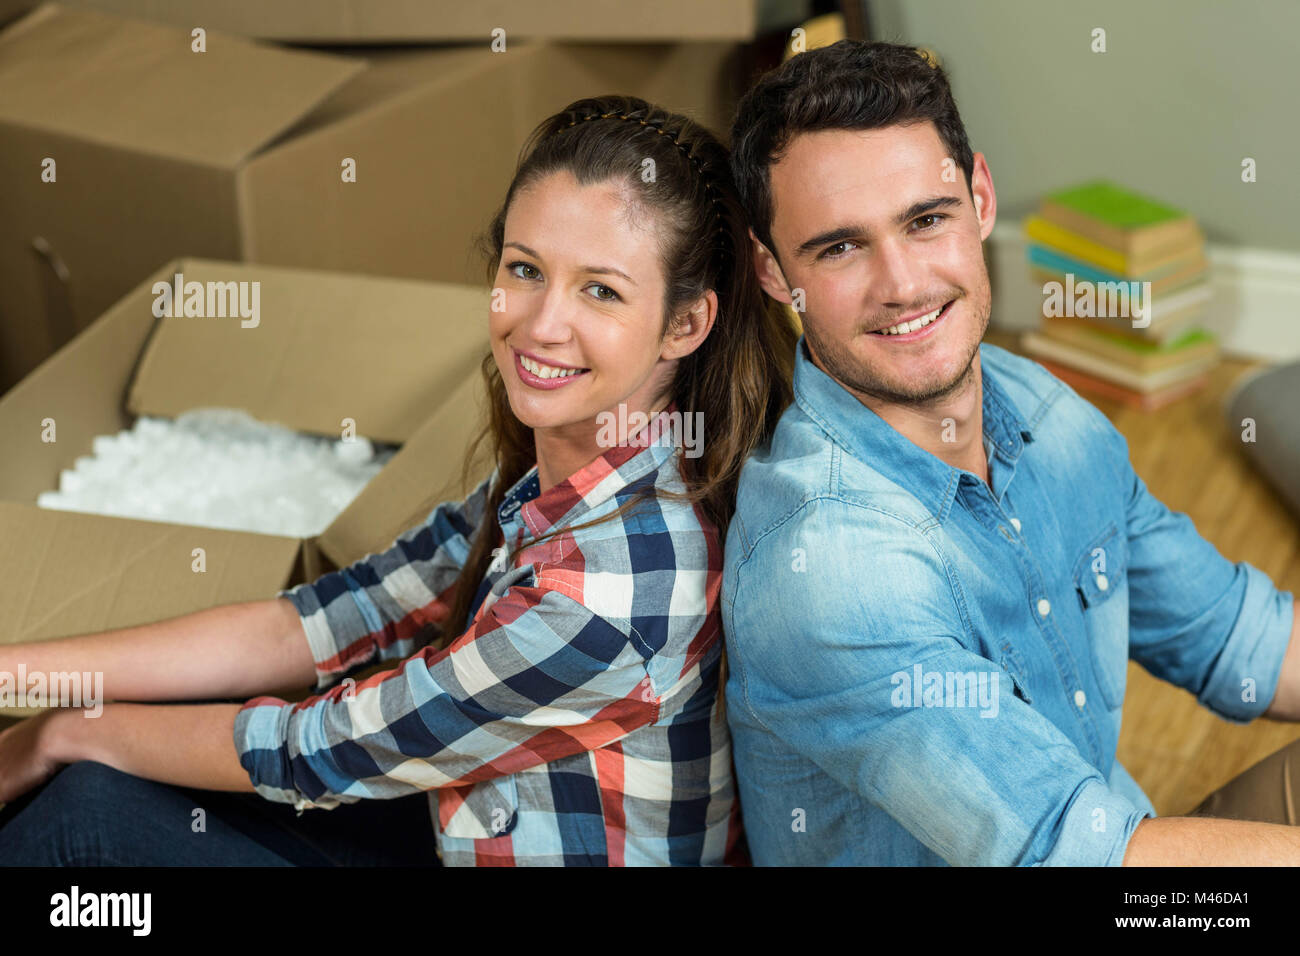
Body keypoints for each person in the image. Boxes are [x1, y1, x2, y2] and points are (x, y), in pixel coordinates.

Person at [0, 93, 797, 866]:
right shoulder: (577, 471)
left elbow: (321, 750)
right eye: (524, 270)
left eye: (601, 290)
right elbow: (330, 620)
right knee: (129, 749)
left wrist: (63, 731)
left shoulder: (610, 591)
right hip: (465, 818)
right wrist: (20, 674)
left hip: (442, 805)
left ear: (686, 323)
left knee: (90, 816)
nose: (541, 323)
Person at [720, 39, 1300, 866]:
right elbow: (1076, 857)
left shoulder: (1044, 415)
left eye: (927, 220)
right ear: (775, 272)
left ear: (980, 199)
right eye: (840, 247)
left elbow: (1240, 636)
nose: (905, 284)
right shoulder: (830, 574)